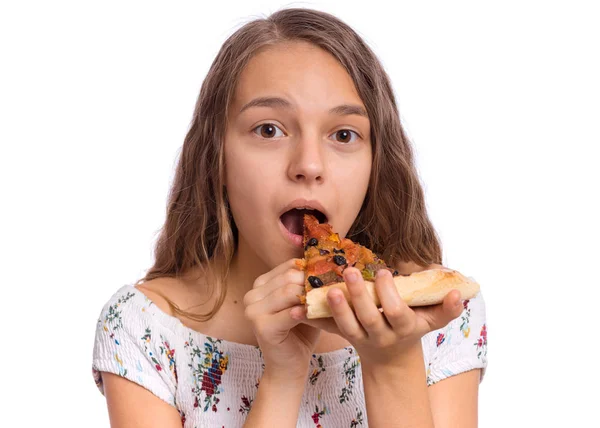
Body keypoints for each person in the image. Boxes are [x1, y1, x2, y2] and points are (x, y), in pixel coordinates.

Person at [91, 7, 488, 427]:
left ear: (377, 164)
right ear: (216, 156)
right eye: (268, 130)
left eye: (343, 134)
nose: (309, 165)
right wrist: (282, 378)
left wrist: (392, 365)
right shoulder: (145, 328)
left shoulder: (441, 314)